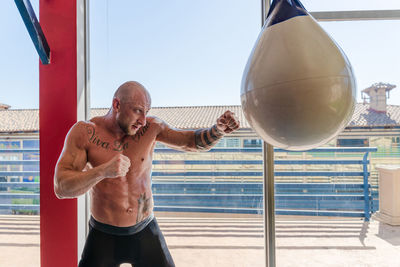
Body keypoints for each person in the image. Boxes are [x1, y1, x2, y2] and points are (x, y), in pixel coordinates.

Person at [54, 81, 240, 267]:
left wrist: (218, 130)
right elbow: (61, 187)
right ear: (116, 105)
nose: (143, 120)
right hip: (104, 235)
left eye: (147, 112)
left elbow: (190, 142)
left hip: (145, 231)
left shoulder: (152, 128)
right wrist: (102, 171)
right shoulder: (85, 132)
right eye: (138, 110)